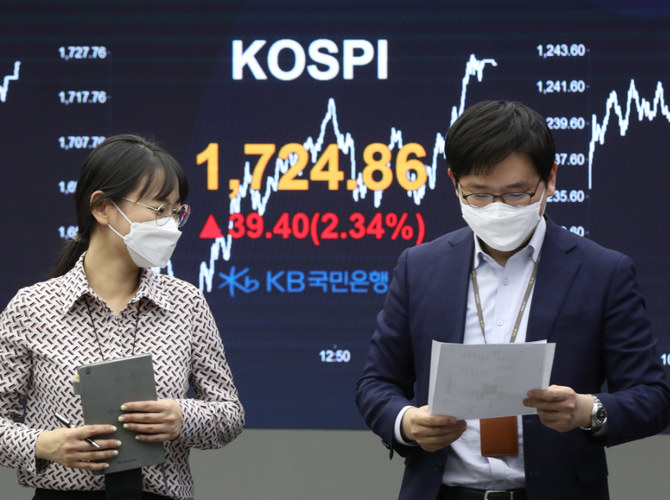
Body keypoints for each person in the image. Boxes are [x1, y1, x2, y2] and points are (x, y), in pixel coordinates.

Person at [355, 100, 670, 500]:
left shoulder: (603, 272)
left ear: (550, 180)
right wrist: (406, 422)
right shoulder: (419, 268)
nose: (498, 209)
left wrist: (587, 410)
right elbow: (376, 382)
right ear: (454, 183)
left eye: (517, 193)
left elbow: (653, 397)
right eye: (479, 195)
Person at [0, 134, 245, 499]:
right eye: (159, 209)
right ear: (101, 207)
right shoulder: (33, 307)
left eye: (177, 211)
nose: (171, 224)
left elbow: (230, 414)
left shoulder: (186, 303)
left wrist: (182, 417)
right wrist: (43, 444)